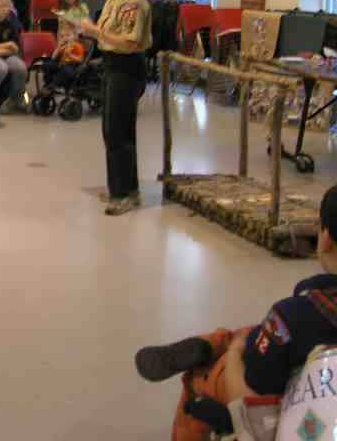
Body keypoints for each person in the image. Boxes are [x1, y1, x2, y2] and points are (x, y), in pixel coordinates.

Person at [135, 185, 337, 441]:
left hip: (288, 413)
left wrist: (234, 354)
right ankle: (215, 342)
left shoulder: (294, 314)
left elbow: (250, 405)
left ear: (325, 238)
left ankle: (213, 348)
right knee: (265, 333)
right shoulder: (303, 310)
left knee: (206, 375)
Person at [74, 0, 152, 216]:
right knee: (112, 130)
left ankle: (122, 194)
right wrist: (87, 29)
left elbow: (129, 42)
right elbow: (106, 34)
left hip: (127, 67)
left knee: (118, 131)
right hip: (111, 65)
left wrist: (95, 31)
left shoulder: (134, 2)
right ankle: (126, 188)